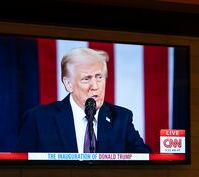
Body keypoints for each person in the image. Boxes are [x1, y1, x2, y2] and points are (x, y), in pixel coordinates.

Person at [16, 47, 151, 154]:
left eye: (99, 77)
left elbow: (145, 160)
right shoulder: (38, 120)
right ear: (68, 84)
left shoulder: (121, 118)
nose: (95, 86)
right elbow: (19, 173)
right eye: (86, 79)